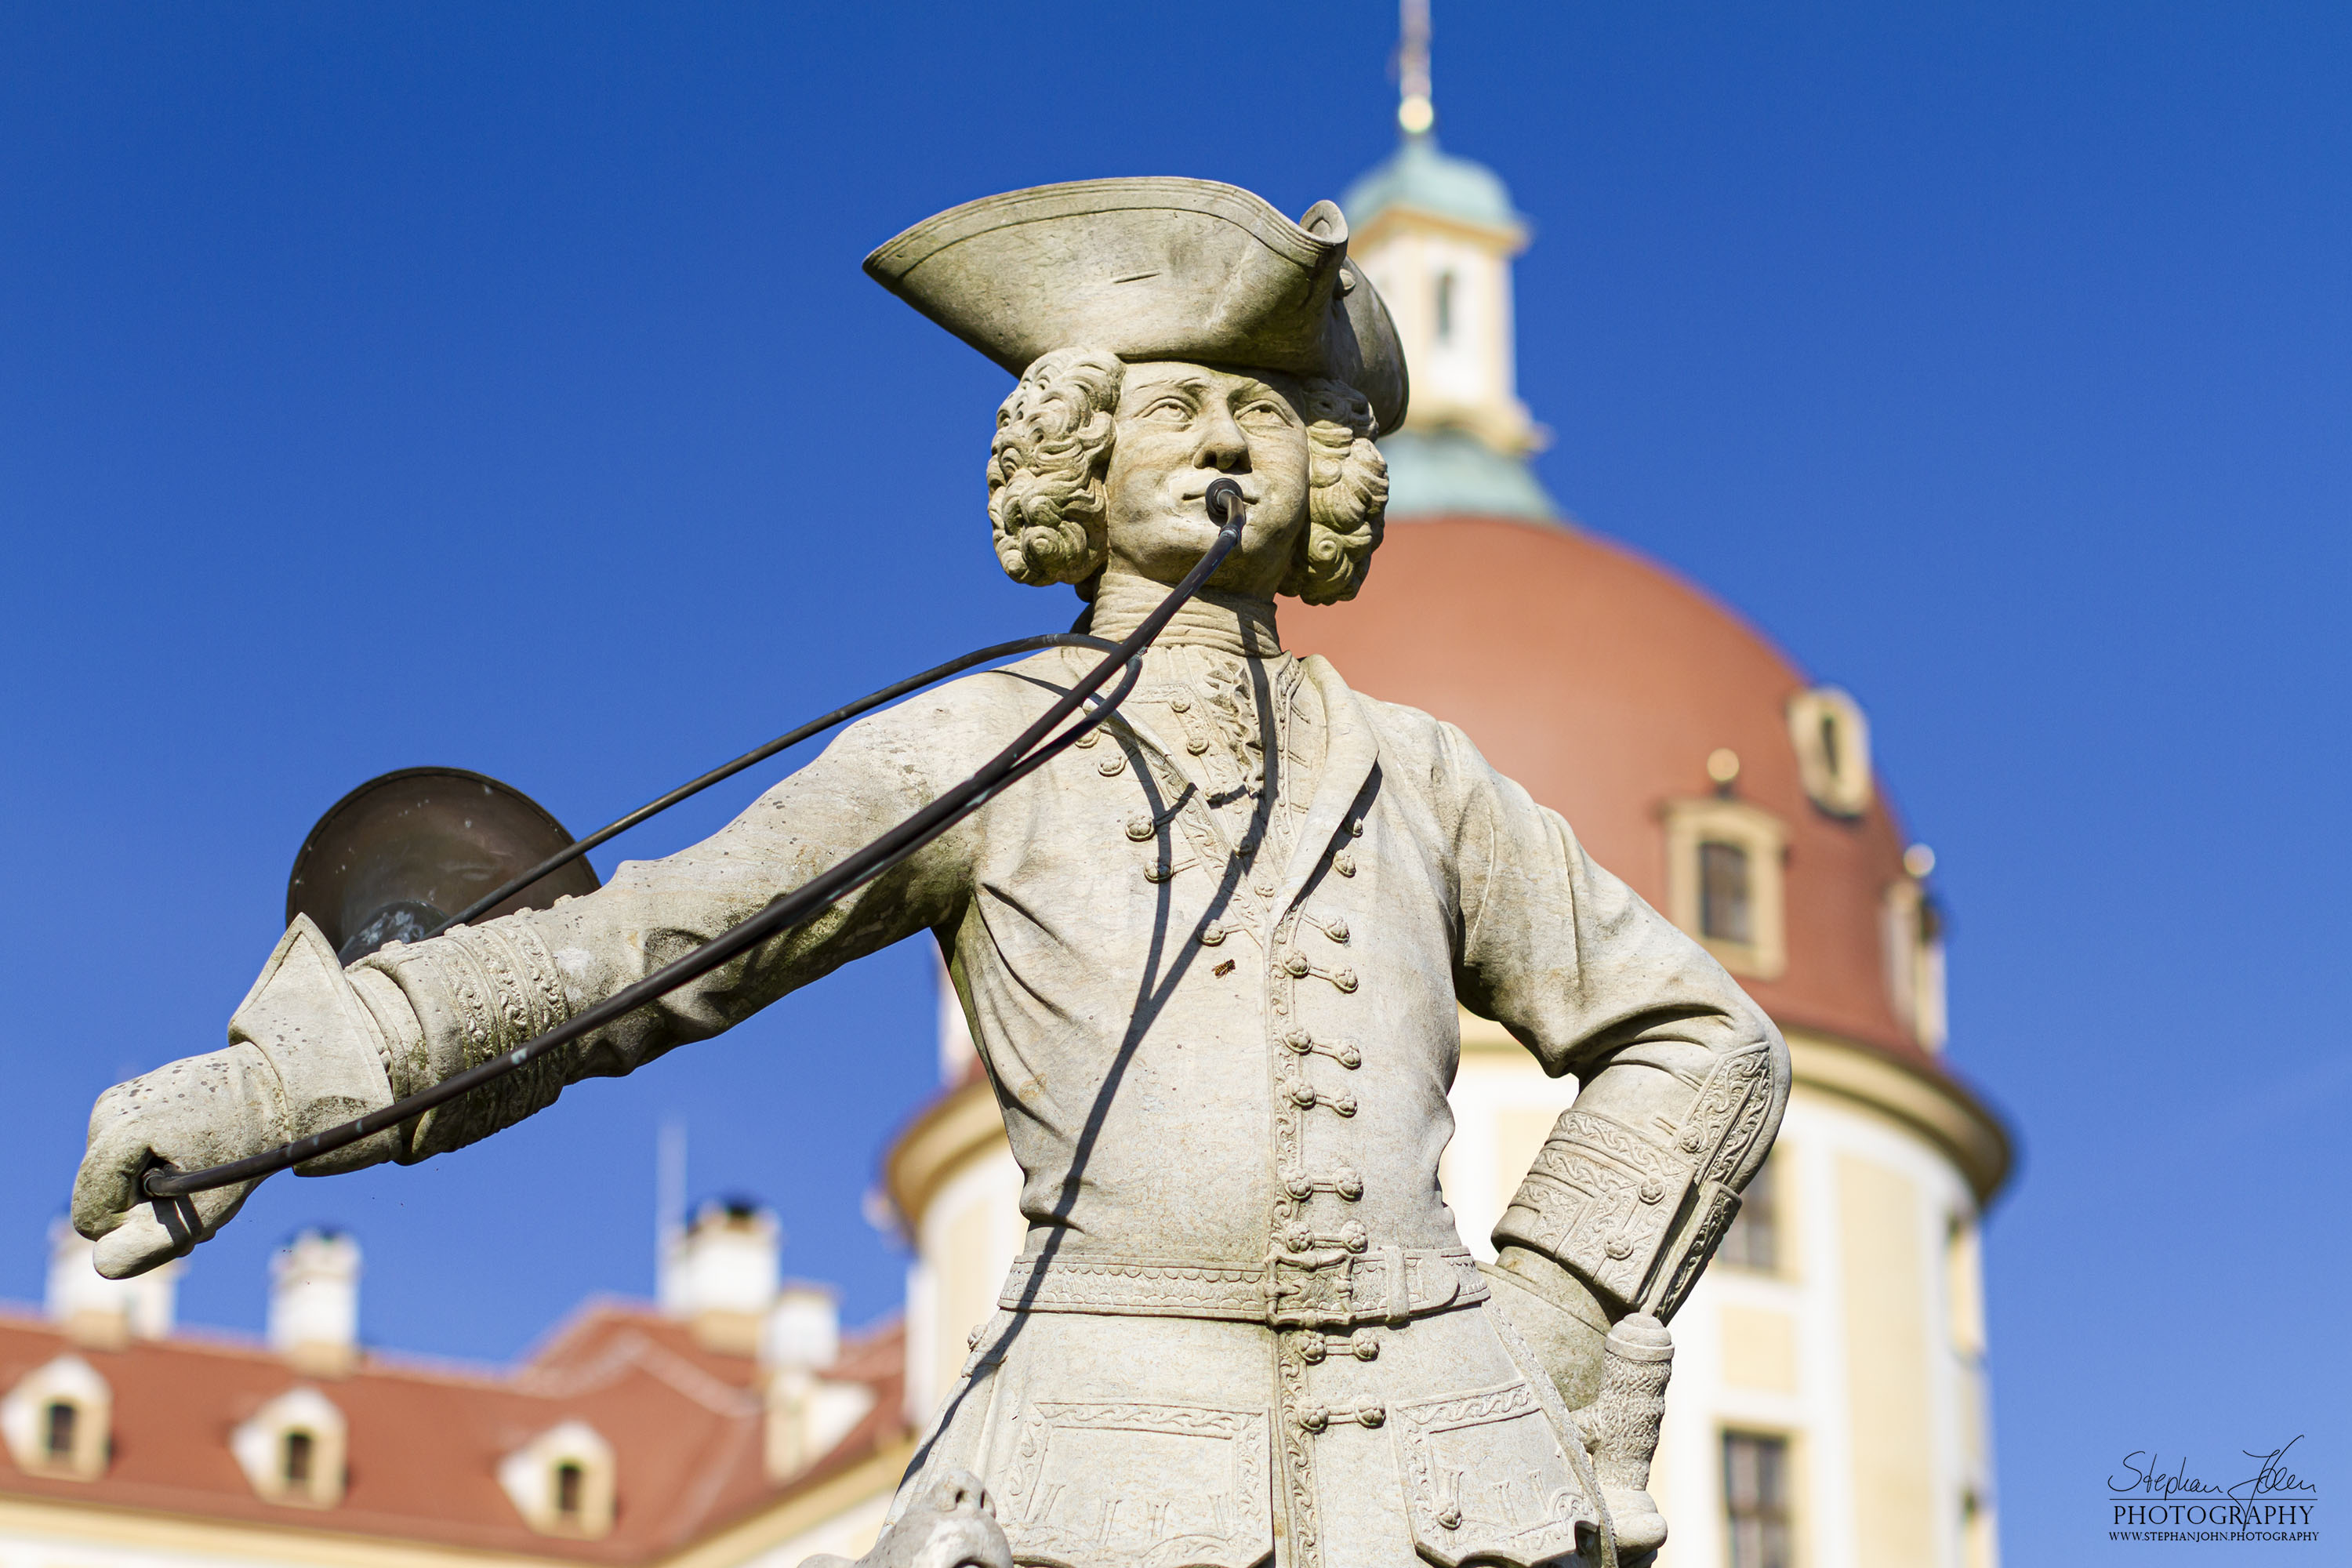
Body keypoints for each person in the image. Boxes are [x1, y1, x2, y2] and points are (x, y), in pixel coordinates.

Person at [74, 180, 1786, 1568]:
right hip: (1104, 1455)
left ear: (1326, 467)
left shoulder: (1422, 769)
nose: (1223, 444)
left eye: (1268, 410)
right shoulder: (978, 742)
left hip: (1443, 1473)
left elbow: (1707, 1036)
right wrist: (273, 1088)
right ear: (1076, 456)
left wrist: (1561, 1307)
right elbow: (651, 950)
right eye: (1176, 403)